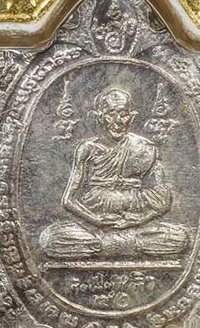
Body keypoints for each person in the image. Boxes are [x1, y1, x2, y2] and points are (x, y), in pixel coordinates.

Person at [39, 88, 189, 258]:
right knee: (50, 239)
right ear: (99, 116)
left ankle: (106, 245)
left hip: (135, 224)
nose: (118, 121)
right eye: (111, 114)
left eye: (123, 114)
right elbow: (68, 200)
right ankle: (124, 245)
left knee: (180, 238)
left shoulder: (146, 148)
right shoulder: (87, 149)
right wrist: (96, 220)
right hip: (92, 225)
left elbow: (163, 200)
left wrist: (139, 219)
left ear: (132, 117)